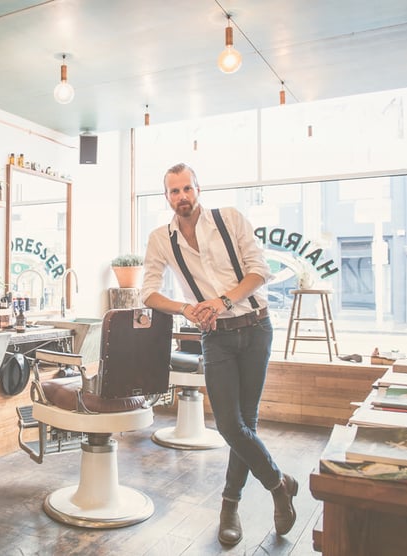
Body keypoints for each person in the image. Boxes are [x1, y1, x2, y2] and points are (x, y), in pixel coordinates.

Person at [140, 162, 297, 546]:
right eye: (174, 192)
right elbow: (147, 291)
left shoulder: (229, 219)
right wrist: (185, 308)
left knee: (247, 423)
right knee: (230, 425)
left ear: (199, 189)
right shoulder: (162, 239)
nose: (182, 197)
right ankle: (279, 485)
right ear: (167, 198)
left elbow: (260, 272)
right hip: (216, 338)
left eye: (187, 189)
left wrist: (221, 300)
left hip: (256, 327)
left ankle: (229, 506)